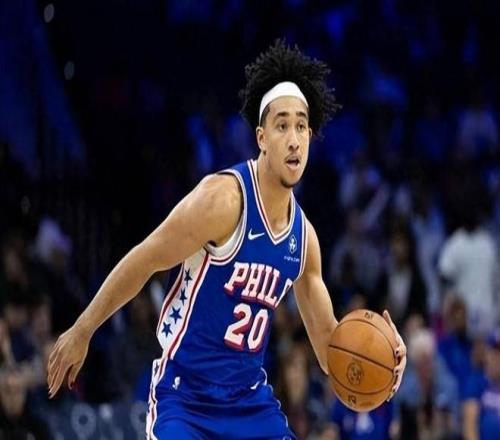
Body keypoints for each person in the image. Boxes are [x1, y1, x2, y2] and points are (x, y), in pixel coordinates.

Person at [46, 40, 407, 439]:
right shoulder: (223, 201)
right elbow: (145, 259)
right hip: (185, 398)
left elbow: (329, 352)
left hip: (249, 403)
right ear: (261, 137)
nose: (293, 138)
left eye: (301, 126)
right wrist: (83, 329)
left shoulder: (304, 240)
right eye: (282, 125)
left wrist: (385, 365)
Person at [463, 327, 500, 440]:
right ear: (487, 354)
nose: (497, 358)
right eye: (494, 352)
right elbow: (470, 428)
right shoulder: (477, 382)